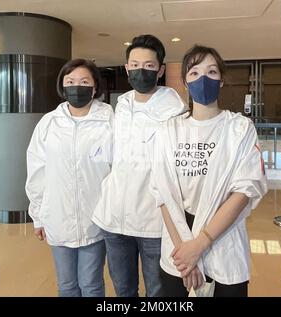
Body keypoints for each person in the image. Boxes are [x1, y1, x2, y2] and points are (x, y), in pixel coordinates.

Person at [150, 45, 268, 297]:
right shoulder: (168, 130)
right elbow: (162, 193)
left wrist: (200, 245)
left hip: (222, 239)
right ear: (184, 82)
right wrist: (186, 252)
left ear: (221, 80)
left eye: (211, 71)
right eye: (194, 73)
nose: (203, 78)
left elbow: (244, 190)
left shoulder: (239, 129)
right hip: (177, 245)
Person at [91, 34, 187, 297]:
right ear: (126, 68)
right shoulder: (120, 106)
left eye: (148, 66)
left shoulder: (174, 110)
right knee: (123, 290)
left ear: (160, 70)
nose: (140, 71)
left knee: (157, 291)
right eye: (134, 65)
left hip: (154, 221)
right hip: (115, 218)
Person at [25, 59, 114, 297]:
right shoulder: (49, 124)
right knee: (66, 286)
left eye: (84, 81)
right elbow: (37, 171)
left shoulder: (109, 121)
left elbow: (118, 170)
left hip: (95, 219)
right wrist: (38, 215)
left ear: (95, 87)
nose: (77, 86)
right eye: (70, 82)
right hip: (58, 218)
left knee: (92, 285)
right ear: (63, 87)